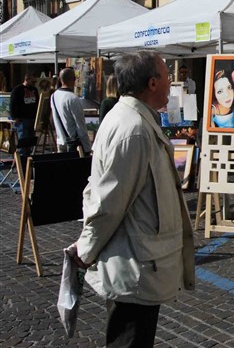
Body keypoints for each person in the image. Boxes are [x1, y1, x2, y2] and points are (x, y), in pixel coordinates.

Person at [69, 50, 195, 348]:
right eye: (166, 76)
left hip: (139, 260)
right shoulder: (133, 129)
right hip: (133, 265)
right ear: (152, 83)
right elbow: (108, 202)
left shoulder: (135, 120)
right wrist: (85, 251)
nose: (170, 82)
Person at [50, 68, 92, 153]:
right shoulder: (72, 98)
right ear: (74, 80)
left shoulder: (54, 96)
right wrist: (87, 148)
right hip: (73, 144)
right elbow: (80, 125)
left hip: (60, 141)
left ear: (60, 80)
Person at [9, 69, 39, 157]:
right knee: (23, 140)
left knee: (30, 140)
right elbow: (12, 104)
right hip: (22, 119)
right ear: (27, 79)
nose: (34, 83)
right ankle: (21, 159)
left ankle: (28, 157)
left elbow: (37, 102)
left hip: (32, 118)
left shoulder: (34, 89)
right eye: (33, 81)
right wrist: (15, 117)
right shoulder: (17, 90)